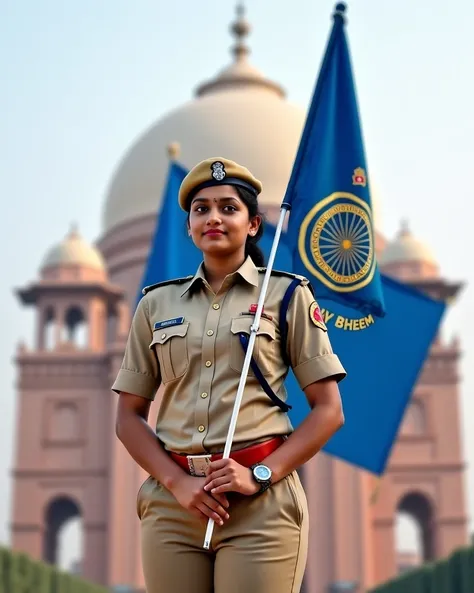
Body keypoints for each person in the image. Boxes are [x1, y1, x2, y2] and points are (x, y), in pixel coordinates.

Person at [112, 157, 347, 593]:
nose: (213, 218)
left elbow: (329, 412)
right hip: (175, 505)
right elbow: (128, 417)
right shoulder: (156, 306)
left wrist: (259, 476)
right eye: (201, 209)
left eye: (228, 207)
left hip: (259, 503)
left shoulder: (286, 295)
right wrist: (177, 483)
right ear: (189, 228)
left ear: (254, 224)